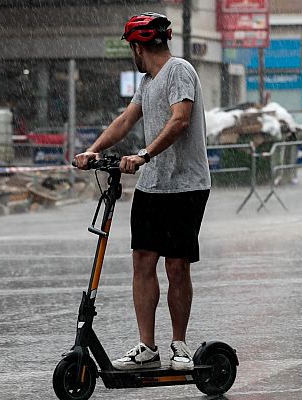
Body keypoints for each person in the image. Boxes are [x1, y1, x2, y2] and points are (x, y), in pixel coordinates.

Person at [74, 12, 211, 371]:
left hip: (186, 184)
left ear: (138, 46)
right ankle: (146, 347)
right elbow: (126, 119)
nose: (131, 55)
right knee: (143, 260)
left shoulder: (178, 70)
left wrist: (144, 154)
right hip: (153, 185)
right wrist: (94, 150)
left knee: (176, 264)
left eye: (130, 48)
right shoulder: (148, 81)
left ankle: (179, 346)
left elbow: (180, 120)